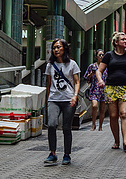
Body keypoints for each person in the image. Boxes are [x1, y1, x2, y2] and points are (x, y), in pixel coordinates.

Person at [97, 32, 126, 152]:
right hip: (111, 88)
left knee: (124, 114)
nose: (125, 41)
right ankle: (116, 140)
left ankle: (125, 141)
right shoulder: (108, 55)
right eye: (122, 39)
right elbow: (99, 70)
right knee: (113, 116)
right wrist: (100, 80)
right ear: (116, 42)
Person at [44, 38, 80, 166]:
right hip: (54, 99)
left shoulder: (72, 64)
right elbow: (49, 84)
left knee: (66, 128)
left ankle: (66, 154)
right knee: (52, 124)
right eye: (54, 48)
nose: (56, 50)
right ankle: (52, 153)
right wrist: (47, 101)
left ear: (64, 48)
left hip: (68, 99)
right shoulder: (50, 65)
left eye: (58, 47)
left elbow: (76, 82)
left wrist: (75, 96)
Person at [84, 49, 107, 131]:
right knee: (94, 106)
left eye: (103, 55)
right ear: (96, 56)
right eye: (100, 55)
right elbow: (86, 77)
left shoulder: (106, 66)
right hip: (94, 89)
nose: (101, 56)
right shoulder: (92, 66)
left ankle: (100, 126)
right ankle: (93, 124)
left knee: (102, 109)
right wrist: (91, 74)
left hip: (104, 90)